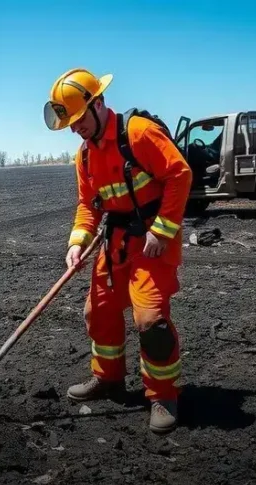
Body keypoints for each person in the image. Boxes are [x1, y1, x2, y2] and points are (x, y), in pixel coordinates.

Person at [43, 68, 192, 433]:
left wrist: (162, 229)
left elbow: (179, 175)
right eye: (71, 123)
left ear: (99, 104)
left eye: (79, 120)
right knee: (99, 312)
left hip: (153, 242)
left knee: (150, 322)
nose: (76, 128)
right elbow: (88, 205)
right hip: (115, 245)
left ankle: (162, 394)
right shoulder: (85, 155)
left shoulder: (139, 133)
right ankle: (108, 378)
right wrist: (77, 242)